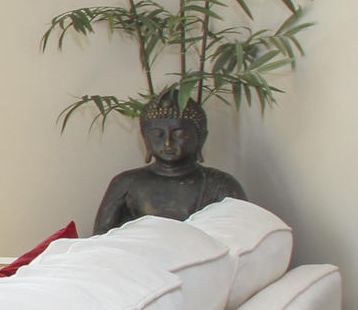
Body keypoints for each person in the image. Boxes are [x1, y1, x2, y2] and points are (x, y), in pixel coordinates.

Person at [94, 90, 245, 233]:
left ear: (201, 138)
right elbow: (101, 240)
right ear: (145, 139)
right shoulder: (126, 183)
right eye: (158, 135)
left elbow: (242, 239)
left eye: (179, 134)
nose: (167, 143)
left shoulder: (221, 185)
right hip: (141, 258)